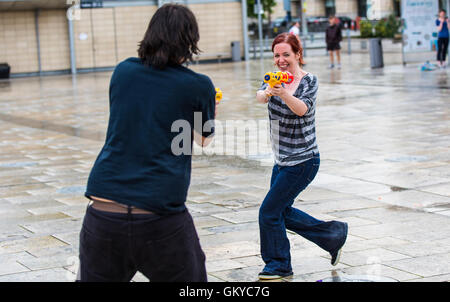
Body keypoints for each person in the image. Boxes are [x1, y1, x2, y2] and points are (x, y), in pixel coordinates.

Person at [78, 3, 216, 282]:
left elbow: (138, 112)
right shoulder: (199, 85)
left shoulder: (122, 72)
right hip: (160, 215)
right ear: (190, 41)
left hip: (103, 210)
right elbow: (203, 139)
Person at [255, 33, 348, 280]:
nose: (281, 60)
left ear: (298, 54)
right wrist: (267, 92)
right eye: (277, 55)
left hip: (305, 160)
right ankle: (333, 235)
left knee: (268, 213)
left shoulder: (309, 81)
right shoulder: (273, 80)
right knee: (280, 212)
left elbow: (302, 109)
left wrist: (283, 93)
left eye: (286, 54)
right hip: (282, 161)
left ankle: (278, 265)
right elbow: (260, 96)